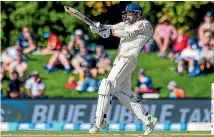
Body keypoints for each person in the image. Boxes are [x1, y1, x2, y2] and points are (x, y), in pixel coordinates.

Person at [89, 3, 157, 135]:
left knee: (107, 85)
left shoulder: (145, 25)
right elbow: (112, 27)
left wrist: (110, 32)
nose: (128, 17)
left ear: (138, 14)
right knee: (123, 93)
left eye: (131, 14)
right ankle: (148, 119)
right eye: (127, 15)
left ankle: (99, 122)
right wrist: (98, 27)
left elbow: (128, 33)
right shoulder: (127, 23)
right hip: (120, 60)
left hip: (128, 59)